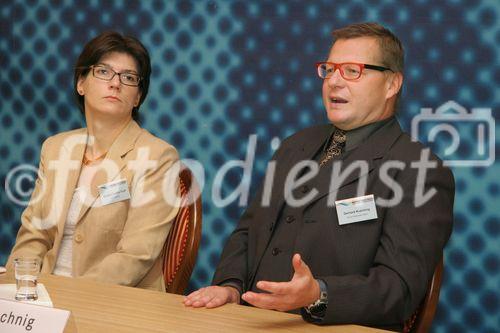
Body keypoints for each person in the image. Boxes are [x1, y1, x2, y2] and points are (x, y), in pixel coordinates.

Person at [184, 22, 454, 331]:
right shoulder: (294, 146)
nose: (334, 82)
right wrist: (230, 287)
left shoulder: (420, 170)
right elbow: (248, 232)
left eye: (352, 71)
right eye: (329, 69)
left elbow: (398, 290)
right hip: (250, 321)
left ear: (392, 84)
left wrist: (318, 295)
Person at [6, 31, 180, 291]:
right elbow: (35, 235)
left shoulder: (157, 156)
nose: (115, 83)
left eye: (129, 78)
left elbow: (134, 256)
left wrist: (70, 296)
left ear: (138, 97)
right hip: (42, 296)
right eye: (103, 72)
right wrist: (20, 290)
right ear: (81, 83)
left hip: (113, 302)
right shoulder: (56, 148)